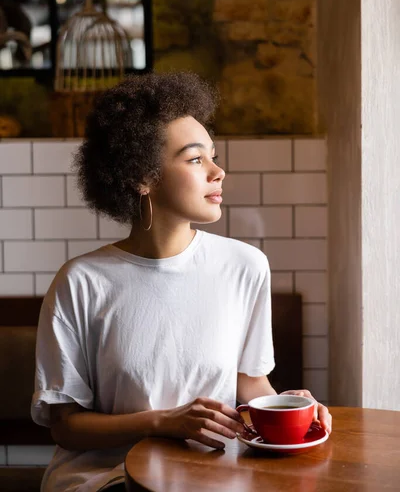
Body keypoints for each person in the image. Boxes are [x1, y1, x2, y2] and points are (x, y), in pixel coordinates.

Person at [31, 71, 332, 492]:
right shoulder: (81, 283)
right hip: (107, 479)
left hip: (210, 475)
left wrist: (287, 406)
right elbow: (66, 428)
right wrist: (164, 422)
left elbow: (247, 382)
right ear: (141, 176)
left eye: (213, 155)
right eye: (195, 159)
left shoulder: (245, 266)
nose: (218, 172)